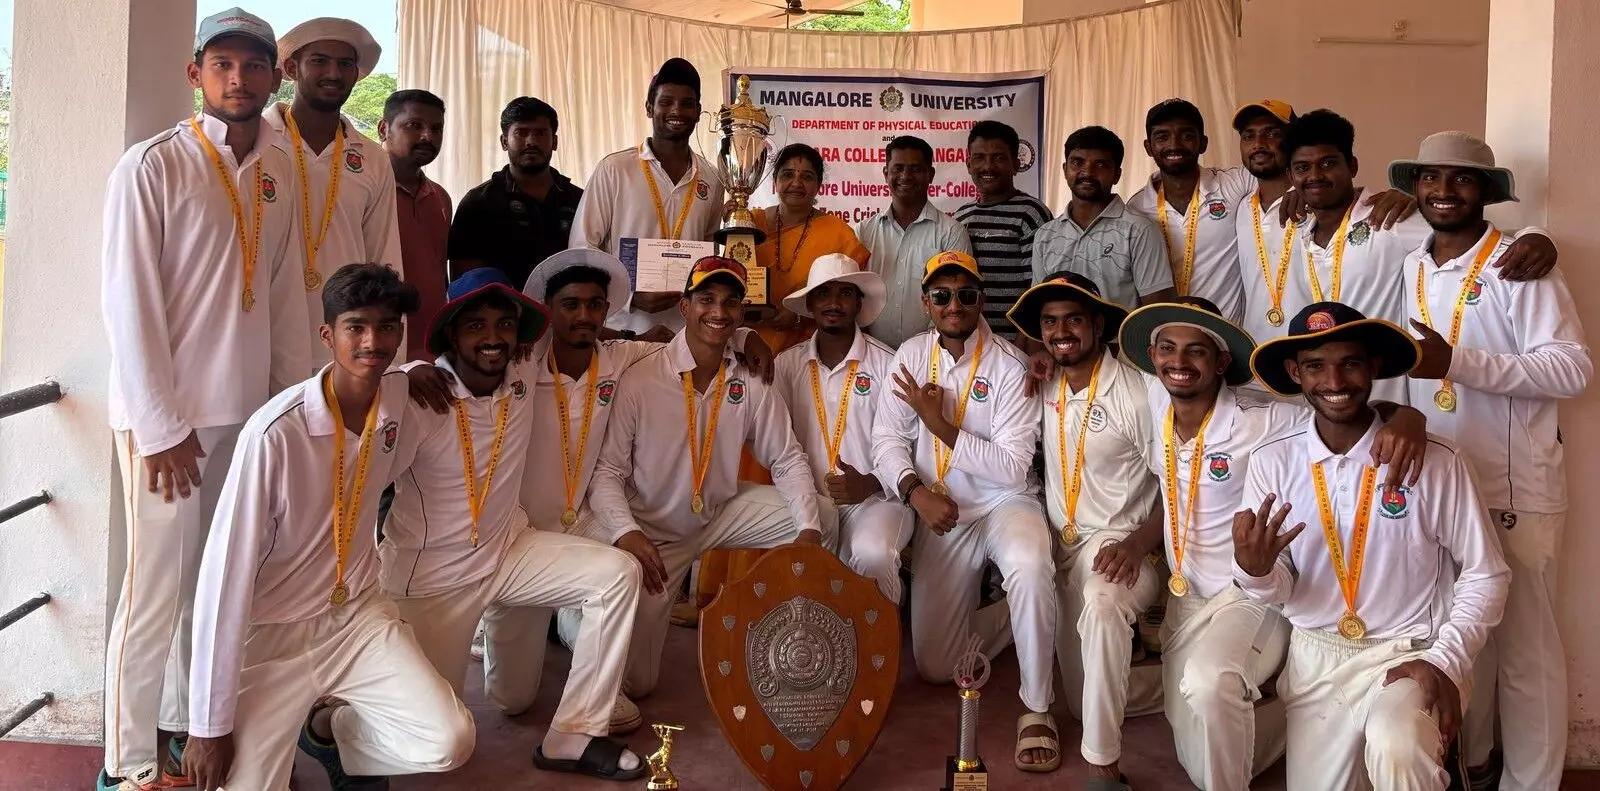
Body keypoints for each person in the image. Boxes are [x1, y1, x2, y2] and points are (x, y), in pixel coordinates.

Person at [98, 10, 313, 789]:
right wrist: (159, 425)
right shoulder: (153, 164)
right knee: (153, 595)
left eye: (253, 66)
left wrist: (289, 413)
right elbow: (127, 301)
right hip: (169, 424)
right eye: (221, 65)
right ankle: (125, 765)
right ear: (196, 74)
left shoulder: (278, 169)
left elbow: (286, 299)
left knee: (214, 588)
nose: (237, 79)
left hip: (246, 419)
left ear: (274, 78)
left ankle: (183, 734)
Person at [1110, 297, 1430, 790]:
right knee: (1196, 756)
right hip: (1186, 596)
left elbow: (1339, 409)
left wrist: (1405, 415)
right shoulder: (1156, 401)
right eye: (1168, 349)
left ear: (1221, 361)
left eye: (1197, 350)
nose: (1179, 362)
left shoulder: (1263, 419)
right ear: (1152, 358)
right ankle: (1292, 716)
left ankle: (1305, 715)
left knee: (1209, 688)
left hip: (1247, 593)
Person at [182, 264, 474, 791]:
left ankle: (330, 731)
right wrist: (207, 727)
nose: (372, 342)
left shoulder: (396, 396)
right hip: (274, 635)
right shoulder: (274, 435)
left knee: (449, 740)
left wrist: (415, 368)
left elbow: (404, 376)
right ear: (327, 335)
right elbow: (223, 579)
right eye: (355, 327)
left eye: (387, 327)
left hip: (356, 618)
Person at [380, 267, 648, 782]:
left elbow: (600, 336)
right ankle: (329, 723)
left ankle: (574, 736)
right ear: (450, 333)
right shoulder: (421, 398)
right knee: (440, 741)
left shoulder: (523, 367)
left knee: (618, 574)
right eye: (475, 326)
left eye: (504, 325)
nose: (493, 338)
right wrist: (406, 371)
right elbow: (365, 475)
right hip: (433, 580)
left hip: (508, 550)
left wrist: (745, 335)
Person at [486, 249, 767, 736]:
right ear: (549, 308)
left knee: (628, 568)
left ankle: (592, 677)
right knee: (512, 700)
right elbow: (459, 363)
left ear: (606, 310)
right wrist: (420, 371)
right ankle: (545, 622)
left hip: (586, 521)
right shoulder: (519, 364)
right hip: (522, 534)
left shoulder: (622, 357)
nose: (584, 316)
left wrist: (744, 335)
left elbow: (694, 342)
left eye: (594, 305)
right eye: (570, 304)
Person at [1391, 133, 1593, 791]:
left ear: (1486, 190)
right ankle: (1472, 762)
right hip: (1443, 485)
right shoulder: (1414, 264)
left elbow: (1572, 369)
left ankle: (1532, 784)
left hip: (1516, 486)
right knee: (1461, 638)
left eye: (1462, 179)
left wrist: (1457, 362)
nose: (1443, 191)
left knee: (1527, 654)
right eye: (1431, 178)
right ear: (1416, 186)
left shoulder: (1518, 262)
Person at [1239, 301, 1510, 790]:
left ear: (1374, 367)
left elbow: (1486, 573)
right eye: (1316, 366)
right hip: (1317, 655)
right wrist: (1256, 572)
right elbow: (1279, 586)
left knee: (1397, 746)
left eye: (1350, 363)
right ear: (1295, 373)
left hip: (1409, 648)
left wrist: (1445, 660)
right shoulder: (1271, 461)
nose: (1334, 380)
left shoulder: (1438, 460)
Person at [581, 256, 835, 697]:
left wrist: (809, 532)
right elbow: (607, 473)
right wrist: (627, 533)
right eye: (706, 299)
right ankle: (574, 619)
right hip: (652, 536)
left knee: (824, 516)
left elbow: (787, 458)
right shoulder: (642, 377)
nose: (718, 311)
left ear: (741, 312)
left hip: (715, 514)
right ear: (684, 307)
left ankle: (803, 638)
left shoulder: (750, 377)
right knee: (639, 684)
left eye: (730, 302)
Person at [870, 251, 1058, 772]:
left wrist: (938, 425)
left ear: (982, 300)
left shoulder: (1011, 365)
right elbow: (886, 440)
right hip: (941, 510)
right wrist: (915, 492)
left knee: (1029, 564)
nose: (954, 305)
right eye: (942, 295)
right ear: (925, 303)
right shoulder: (909, 355)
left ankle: (1037, 708)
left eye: (966, 295)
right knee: (935, 666)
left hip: (1003, 503)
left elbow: (1013, 470)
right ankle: (1030, 613)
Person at [1282, 110, 1557, 399]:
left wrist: (1537, 235)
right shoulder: (1296, 228)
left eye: (1328, 163)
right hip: (1325, 393)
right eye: (1303, 168)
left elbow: (1473, 234)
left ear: (1352, 166)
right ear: (1291, 176)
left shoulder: (1389, 220)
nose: (1315, 176)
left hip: (1388, 396)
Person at [1007, 272, 1160, 785]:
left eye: (1073, 319)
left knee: (1102, 603)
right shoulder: (1044, 380)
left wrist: (1138, 544)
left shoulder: (1137, 393)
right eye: (1050, 323)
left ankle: (1104, 767)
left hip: (1119, 544)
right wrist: (1036, 359)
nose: (1061, 332)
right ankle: (1177, 677)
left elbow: (1175, 485)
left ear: (1098, 325)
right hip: (1061, 544)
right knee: (1077, 702)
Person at [772, 253, 909, 602]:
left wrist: (871, 482)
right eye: (823, 293)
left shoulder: (888, 363)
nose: (833, 303)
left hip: (876, 499)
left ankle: (882, 629)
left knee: (871, 554)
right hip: (808, 498)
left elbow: (912, 441)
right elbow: (775, 442)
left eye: (845, 293)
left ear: (859, 303)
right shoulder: (786, 365)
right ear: (810, 303)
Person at [266, 18, 401, 367]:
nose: (333, 73)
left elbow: (383, 255)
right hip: (264, 331)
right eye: (319, 61)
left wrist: (391, 361)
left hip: (346, 341)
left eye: (345, 64)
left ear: (356, 74)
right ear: (292, 68)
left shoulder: (372, 158)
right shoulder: (257, 143)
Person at [572, 58, 723, 338]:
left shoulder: (712, 179)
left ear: (698, 113)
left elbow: (710, 249)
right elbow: (583, 248)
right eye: (666, 102)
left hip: (687, 335)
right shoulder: (615, 169)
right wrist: (629, 296)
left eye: (687, 104)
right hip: (623, 331)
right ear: (649, 107)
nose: (676, 111)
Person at [1124, 100, 1254, 323]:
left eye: (1186, 135)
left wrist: (1295, 192)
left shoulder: (1233, 183)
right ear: (1148, 147)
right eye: (1162, 137)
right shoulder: (1137, 208)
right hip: (1170, 334)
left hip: (1227, 333)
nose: (1174, 145)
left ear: (1203, 143)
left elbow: (1280, 172)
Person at [1031, 125, 1174, 315]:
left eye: (1100, 165)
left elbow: (1157, 313)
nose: (1087, 172)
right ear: (1065, 170)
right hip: (1060, 335)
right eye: (1077, 162)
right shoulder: (1045, 235)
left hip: (1119, 336)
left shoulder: (1138, 230)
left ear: (1117, 175)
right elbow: (1039, 306)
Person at [450, 97, 584, 290]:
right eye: (521, 133)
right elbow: (464, 282)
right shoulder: (479, 202)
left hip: (567, 307)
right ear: (504, 141)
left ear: (554, 142)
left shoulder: (579, 199)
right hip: (503, 309)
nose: (531, 141)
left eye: (540, 133)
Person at [748, 142, 870, 352]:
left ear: (818, 184)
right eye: (787, 175)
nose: (796, 183)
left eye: (806, 177)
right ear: (775, 180)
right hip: (750, 342)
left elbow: (849, 298)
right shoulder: (751, 223)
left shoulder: (837, 233)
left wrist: (800, 314)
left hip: (809, 349)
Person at [857, 136, 972, 347]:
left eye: (916, 169)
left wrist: (920, 352)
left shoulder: (951, 232)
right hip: (869, 354)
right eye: (898, 168)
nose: (905, 176)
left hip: (932, 354)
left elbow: (956, 302)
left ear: (931, 175)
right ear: (886, 174)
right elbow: (853, 296)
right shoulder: (864, 232)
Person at [954, 120, 1053, 340]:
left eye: (998, 158)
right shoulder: (961, 217)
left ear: (1016, 165)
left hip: (1016, 345)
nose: (987, 167)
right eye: (979, 158)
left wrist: (1023, 343)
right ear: (968, 164)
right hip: (971, 343)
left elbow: (1039, 290)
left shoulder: (1031, 213)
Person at [379, 89, 450, 362]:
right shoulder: (365, 192)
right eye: (414, 125)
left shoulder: (440, 197)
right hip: (382, 350)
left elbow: (440, 275)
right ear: (384, 129)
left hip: (433, 350)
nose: (427, 136)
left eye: (436, 128)